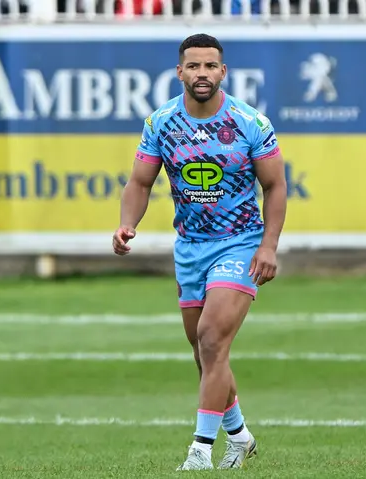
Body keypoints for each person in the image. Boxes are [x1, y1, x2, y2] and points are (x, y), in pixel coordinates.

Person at [112, 33, 287, 471]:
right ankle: (241, 435)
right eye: (194, 66)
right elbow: (139, 182)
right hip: (190, 248)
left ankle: (200, 451)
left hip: (241, 244)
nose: (202, 73)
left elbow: (275, 186)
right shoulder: (161, 122)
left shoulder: (251, 122)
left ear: (223, 72)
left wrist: (268, 245)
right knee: (204, 352)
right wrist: (127, 224)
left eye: (210, 66)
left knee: (211, 339)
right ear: (180, 72)